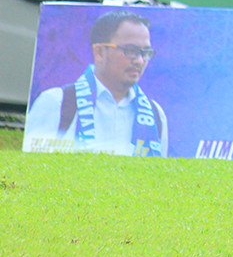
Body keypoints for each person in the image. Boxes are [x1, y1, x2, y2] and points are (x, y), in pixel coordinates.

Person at [23, 9, 168, 157]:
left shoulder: (155, 115)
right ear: (99, 52)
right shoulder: (56, 102)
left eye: (146, 53)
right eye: (130, 50)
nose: (139, 60)